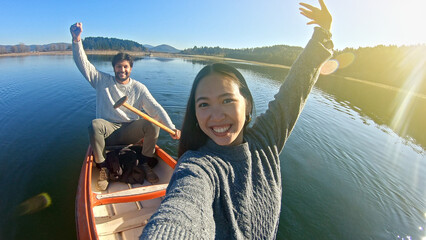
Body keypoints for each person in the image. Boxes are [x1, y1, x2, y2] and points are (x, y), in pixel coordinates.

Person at [140, 0, 333, 239]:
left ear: (247, 103)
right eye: (204, 104)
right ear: (195, 113)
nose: (216, 115)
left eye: (227, 100)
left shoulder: (266, 138)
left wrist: (322, 35)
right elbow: (182, 208)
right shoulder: (198, 166)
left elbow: (295, 90)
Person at [70, 23, 181, 191]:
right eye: (119, 66)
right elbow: (83, 64)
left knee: (151, 123)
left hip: (130, 131)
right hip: (108, 132)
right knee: (94, 126)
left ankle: (145, 164)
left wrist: (171, 127)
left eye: (125, 67)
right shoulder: (102, 81)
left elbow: (155, 108)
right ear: (114, 67)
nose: (122, 70)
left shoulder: (139, 88)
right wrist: (77, 40)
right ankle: (103, 168)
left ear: (130, 68)